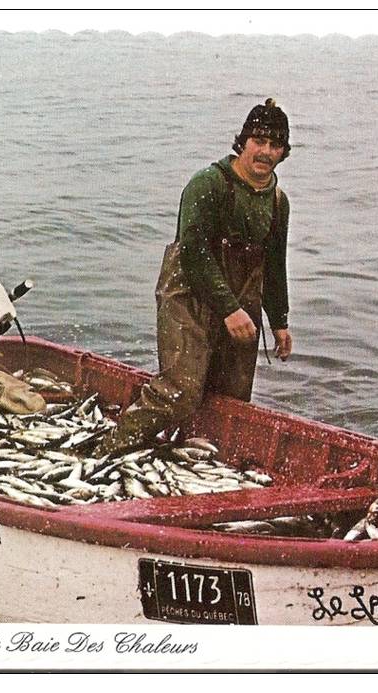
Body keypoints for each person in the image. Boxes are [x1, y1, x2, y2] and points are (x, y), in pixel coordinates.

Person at [94, 98, 294, 456]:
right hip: (189, 296)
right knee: (180, 392)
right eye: (258, 141)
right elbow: (194, 255)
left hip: (240, 305)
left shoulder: (278, 201)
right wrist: (228, 310)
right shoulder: (208, 184)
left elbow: (274, 265)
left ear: (284, 151)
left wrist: (278, 320)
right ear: (242, 142)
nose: (265, 151)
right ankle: (105, 451)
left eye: (275, 144)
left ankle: (191, 457)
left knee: (231, 398)